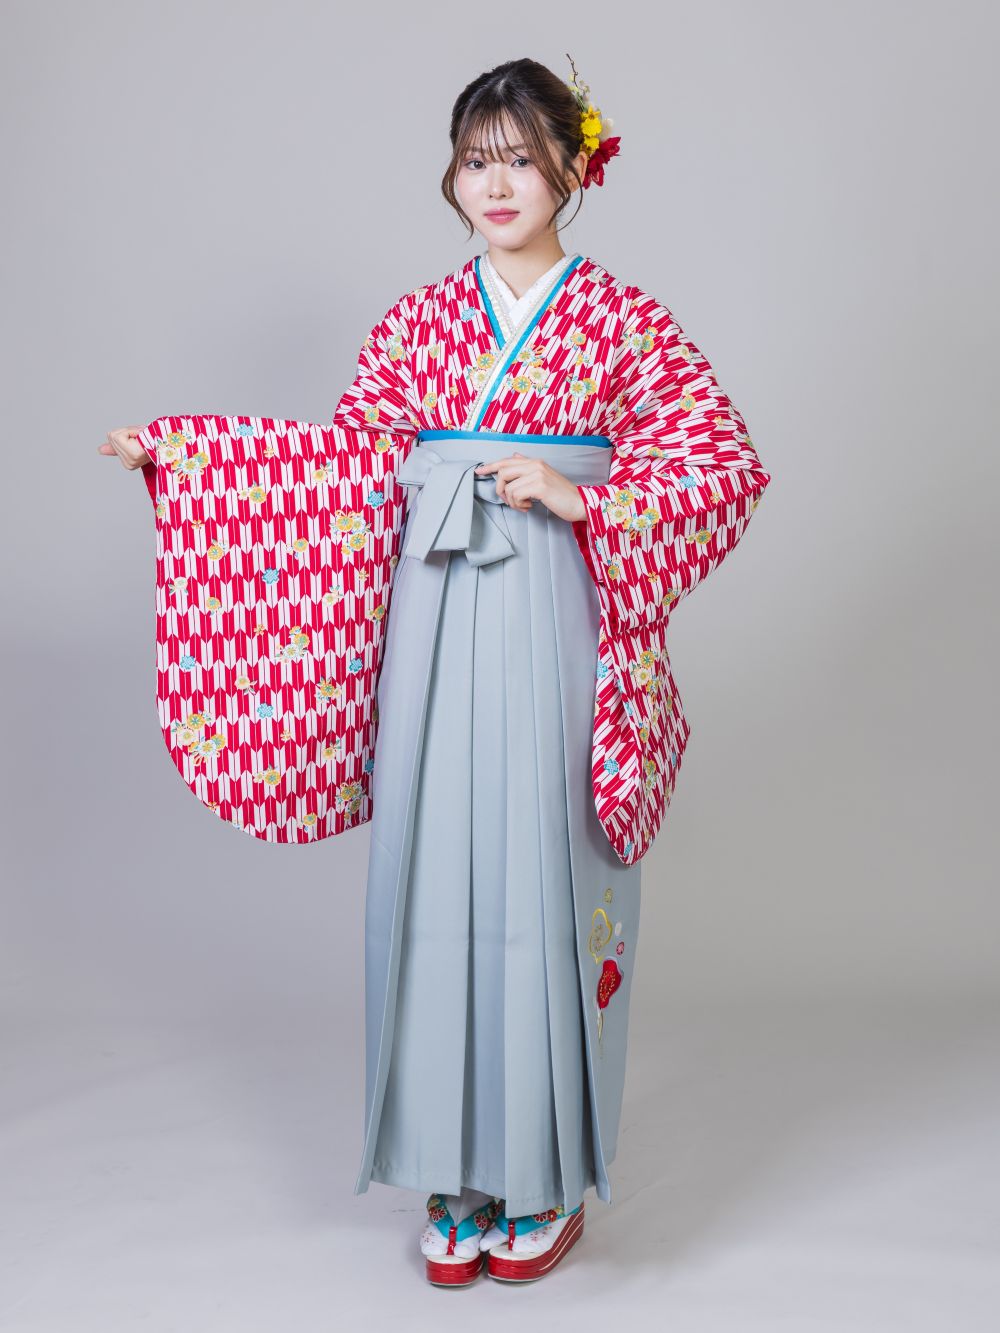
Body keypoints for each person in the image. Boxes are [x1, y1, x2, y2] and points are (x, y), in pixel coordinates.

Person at [99, 55, 771, 1287]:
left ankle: (542, 1175)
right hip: (431, 609)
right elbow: (343, 465)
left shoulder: (623, 320)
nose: (496, 184)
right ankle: (453, 1171)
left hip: (556, 602)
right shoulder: (417, 321)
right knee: (432, 870)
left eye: (521, 158)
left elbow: (721, 463)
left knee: (542, 870)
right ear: (452, 176)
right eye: (475, 159)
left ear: (573, 167)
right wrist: (192, 456)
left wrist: (583, 497)